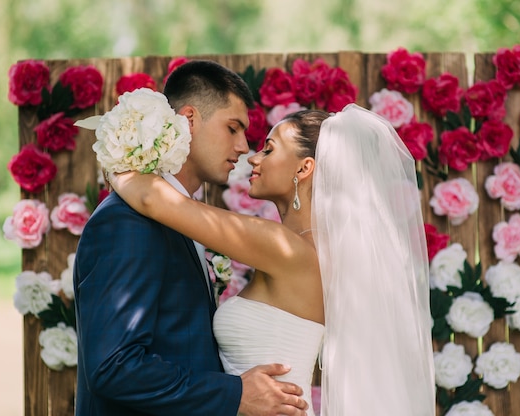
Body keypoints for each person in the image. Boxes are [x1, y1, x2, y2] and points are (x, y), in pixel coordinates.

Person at [110, 104, 436, 415]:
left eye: (269, 149)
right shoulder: (316, 252)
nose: (253, 158)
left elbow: (153, 199)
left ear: (304, 168)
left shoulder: (285, 248)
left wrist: (114, 154)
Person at [73, 60, 309, 416]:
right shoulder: (127, 224)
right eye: (233, 128)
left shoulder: (180, 218)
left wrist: (122, 174)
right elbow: (113, 366)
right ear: (188, 120)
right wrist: (234, 395)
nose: (245, 147)